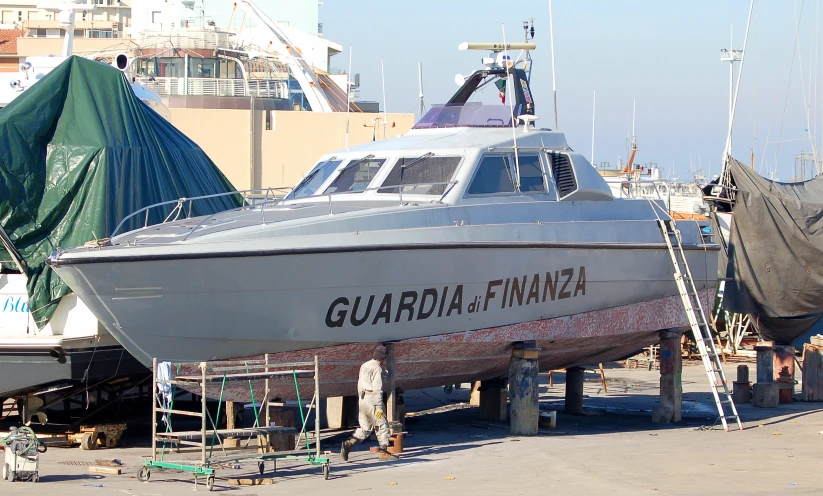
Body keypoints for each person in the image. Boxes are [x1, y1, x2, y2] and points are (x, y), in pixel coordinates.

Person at [340, 345, 398, 462]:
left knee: (365, 427)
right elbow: (377, 389)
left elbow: (360, 383)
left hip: (363, 400)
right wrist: (379, 407)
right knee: (382, 425)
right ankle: (384, 452)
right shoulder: (377, 369)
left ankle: (349, 443)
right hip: (373, 402)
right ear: (383, 358)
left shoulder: (364, 365)